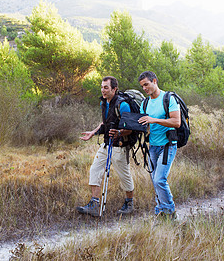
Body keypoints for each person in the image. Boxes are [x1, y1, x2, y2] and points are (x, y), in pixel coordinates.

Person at [77, 76, 135, 216]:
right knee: (95, 170)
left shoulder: (123, 105)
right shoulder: (104, 103)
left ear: (114, 89)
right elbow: (105, 123)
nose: (103, 90)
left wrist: (119, 133)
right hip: (106, 144)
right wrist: (93, 132)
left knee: (124, 176)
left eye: (106, 87)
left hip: (120, 146)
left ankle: (129, 202)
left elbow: (131, 128)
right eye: (102, 87)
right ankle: (94, 204)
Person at [137, 71, 180, 218]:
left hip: (168, 145)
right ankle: (160, 211)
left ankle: (170, 211)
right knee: (155, 181)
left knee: (159, 179)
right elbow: (144, 123)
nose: (144, 88)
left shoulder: (169, 98)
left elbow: (176, 122)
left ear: (154, 81)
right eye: (142, 86)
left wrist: (153, 120)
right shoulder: (145, 103)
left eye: (146, 84)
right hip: (153, 147)